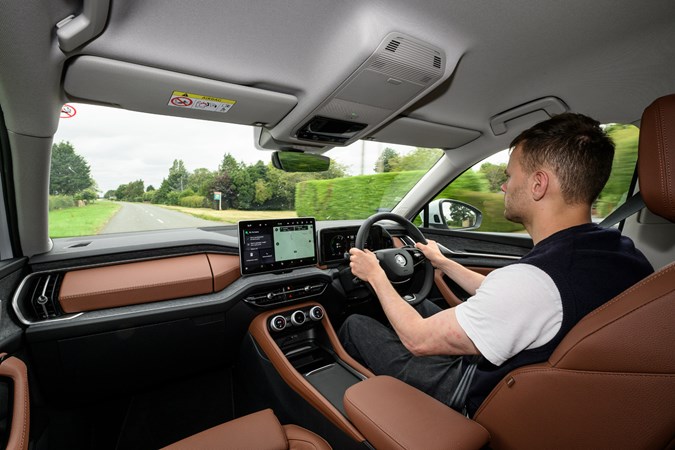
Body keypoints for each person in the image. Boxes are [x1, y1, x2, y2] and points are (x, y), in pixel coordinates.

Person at [339, 113, 654, 416]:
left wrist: (375, 275)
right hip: (541, 391)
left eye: (510, 175)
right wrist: (443, 262)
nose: (504, 186)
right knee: (417, 305)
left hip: (477, 394)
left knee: (356, 325)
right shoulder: (622, 253)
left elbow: (419, 340)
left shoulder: (534, 282)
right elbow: (506, 297)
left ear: (538, 184)